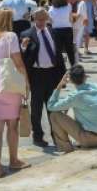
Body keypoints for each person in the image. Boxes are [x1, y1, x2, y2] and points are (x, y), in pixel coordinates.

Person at [0, 9, 30, 178]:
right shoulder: (11, 36)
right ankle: (13, 160)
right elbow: (18, 64)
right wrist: (26, 84)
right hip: (9, 83)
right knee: (12, 125)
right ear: (9, 20)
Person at [20, 8, 65, 148]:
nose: (40, 22)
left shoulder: (53, 32)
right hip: (37, 75)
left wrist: (62, 77)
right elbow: (21, 58)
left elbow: (59, 56)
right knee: (37, 108)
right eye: (38, 20)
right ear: (33, 19)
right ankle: (38, 136)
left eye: (43, 20)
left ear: (47, 19)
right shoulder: (26, 34)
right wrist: (23, 47)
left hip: (52, 74)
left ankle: (57, 136)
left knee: (53, 108)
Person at [47, 64, 97, 153]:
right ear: (85, 76)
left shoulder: (76, 96)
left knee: (54, 115)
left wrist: (59, 86)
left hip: (91, 140)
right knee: (74, 109)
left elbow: (50, 106)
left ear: (70, 80)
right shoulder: (96, 87)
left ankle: (66, 149)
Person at [48, 0, 77, 66]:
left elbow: (50, 21)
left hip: (56, 31)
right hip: (67, 30)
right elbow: (71, 19)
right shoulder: (68, 6)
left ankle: (60, 67)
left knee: (58, 51)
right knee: (70, 50)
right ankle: (73, 65)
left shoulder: (51, 9)